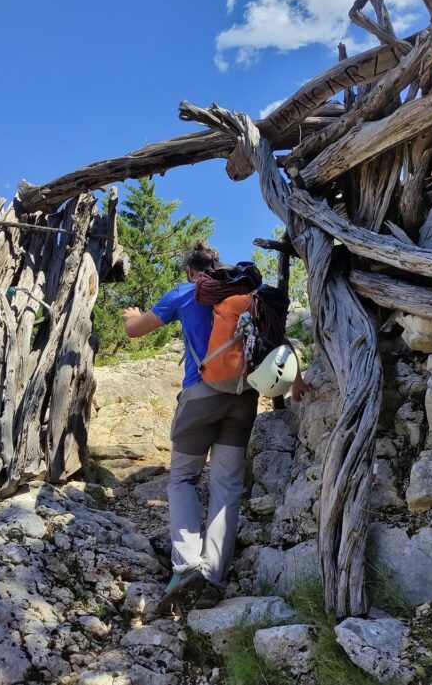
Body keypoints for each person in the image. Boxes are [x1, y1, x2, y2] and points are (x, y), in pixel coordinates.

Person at [122, 240, 302, 609]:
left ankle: (187, 565)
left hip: (201, 396)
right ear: (218, 268)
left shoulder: (185, 293)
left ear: (191, 271)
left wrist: (129, 316)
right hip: (243, 398)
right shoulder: (247, 295)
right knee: (227, 487)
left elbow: (136, 331)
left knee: (184, 478)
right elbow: (275, 339)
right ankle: (213, 574)